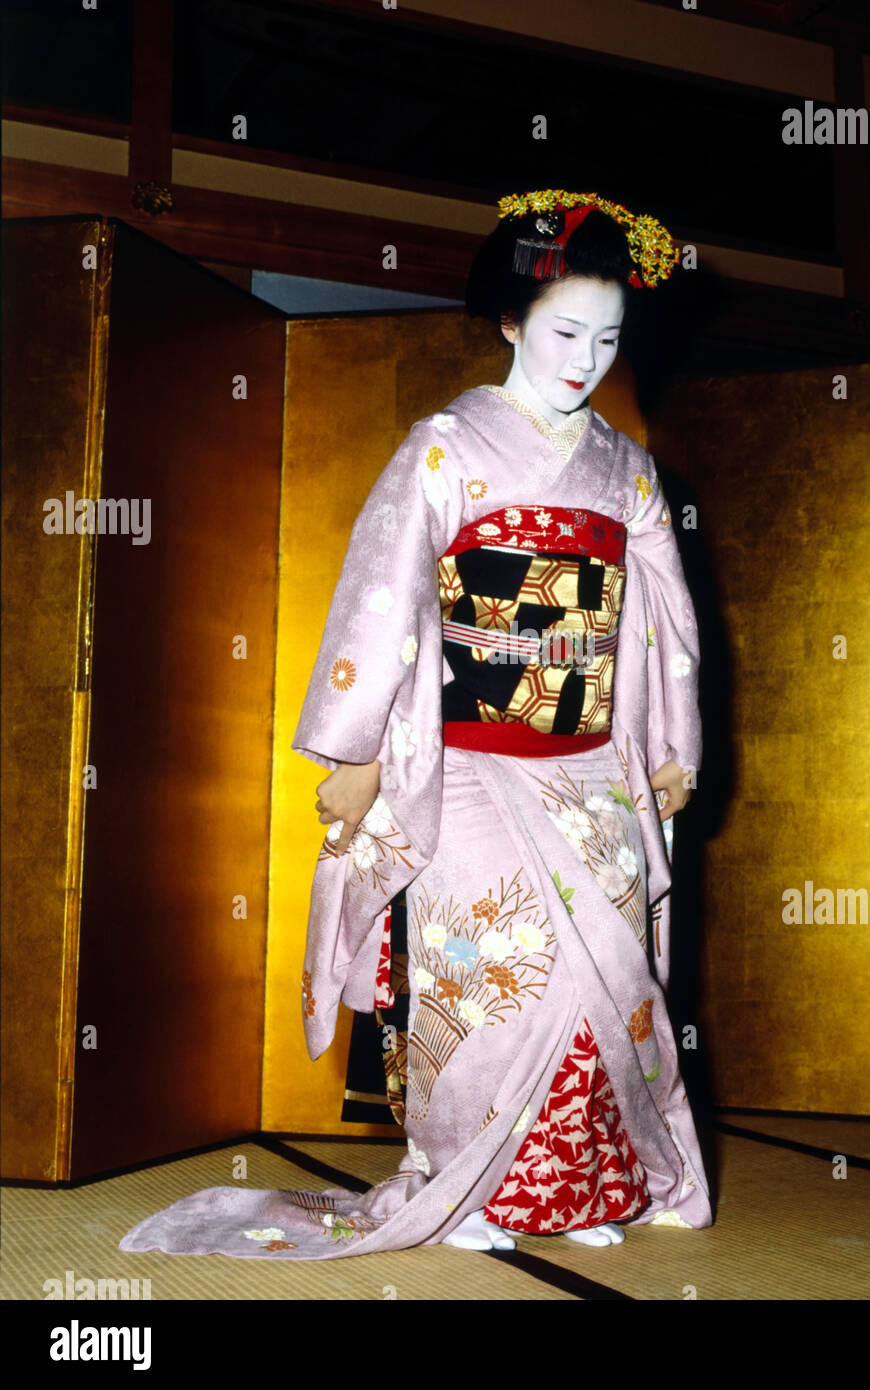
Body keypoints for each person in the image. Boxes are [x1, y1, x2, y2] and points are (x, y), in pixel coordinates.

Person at [119, 190, 711, 1262]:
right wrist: (349, 754)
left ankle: (573, 1191)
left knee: (605, 983)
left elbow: (664, 619)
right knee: (494, 978)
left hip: (589, 765)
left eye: (608, 338)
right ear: (509, 322)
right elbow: (382, 596)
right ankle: (470, 1187)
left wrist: (673, 748)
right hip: (472, 759)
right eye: (564, 332)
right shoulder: (444, 446)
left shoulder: (627, 471)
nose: (585, 359)